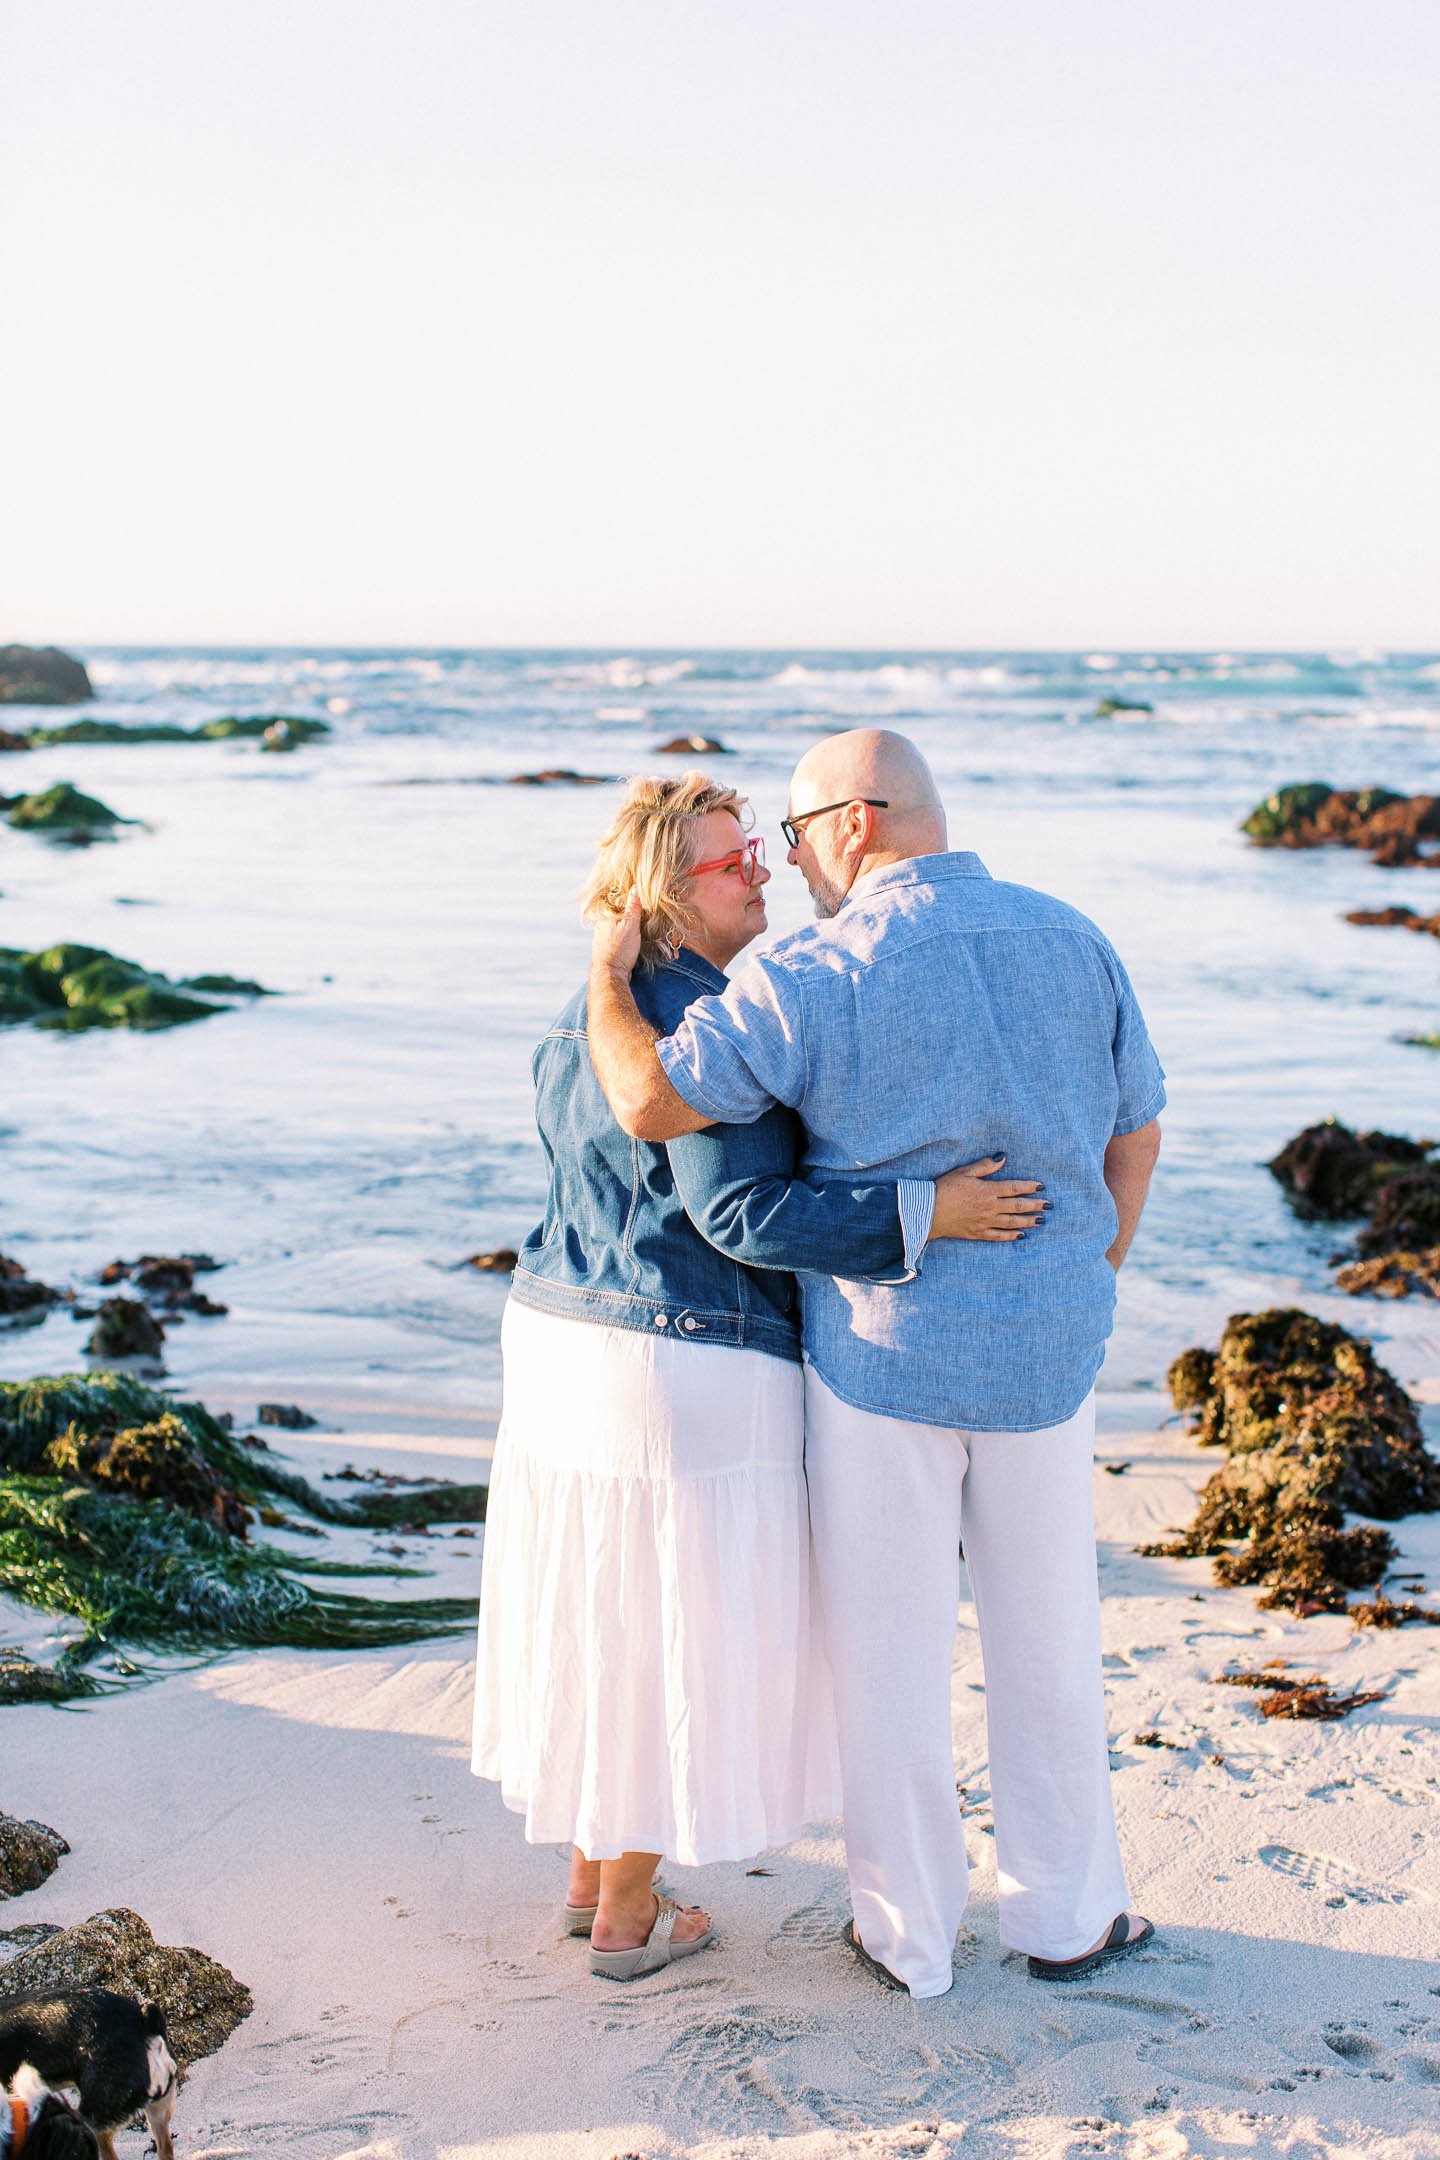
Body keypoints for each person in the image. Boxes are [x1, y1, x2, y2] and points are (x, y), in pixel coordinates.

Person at [586, 729, 1166, 1998]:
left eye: (791, 839)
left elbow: (650, 1104)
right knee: (1050, 1640)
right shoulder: (1076, 937)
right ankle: (1068, 1922)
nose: (787, 869)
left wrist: (608, 981)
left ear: (853, 822)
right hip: (1045, 1359)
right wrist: (1093, 1271)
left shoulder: (808, 966)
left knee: (891, 1659)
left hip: (881, 1359)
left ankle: (906, 1941)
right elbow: (1138, 1132)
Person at [471, 769, 1046, 1982]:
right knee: (658, 1621)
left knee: (599, 1604)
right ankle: (628, 1913)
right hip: (675, 1357)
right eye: (734, 861)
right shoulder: (699, 1020)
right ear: (665, 897)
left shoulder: (584, 1008)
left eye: (757, 852)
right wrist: (925, 1211)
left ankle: (592, 1873)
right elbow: (740, 1212)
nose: (763, 871)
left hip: (558, 1337)